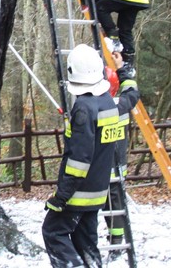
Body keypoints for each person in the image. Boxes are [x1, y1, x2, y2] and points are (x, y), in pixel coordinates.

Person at [42, 44, 119, 268]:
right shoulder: (107, 102)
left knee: (53, 232)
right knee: (86, 242)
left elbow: (79, 160)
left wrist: (61, 197)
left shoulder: (84, 108)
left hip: (78, 192)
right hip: (97, 191)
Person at [102, 52, 140, 260]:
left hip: (102, 165)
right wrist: (121, 68)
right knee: (114, 203)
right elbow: (132, 90)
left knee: (109, 204)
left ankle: (116, 241)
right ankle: (115, 239)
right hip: (117, 164)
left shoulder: (101, 107)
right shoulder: (122, 104)